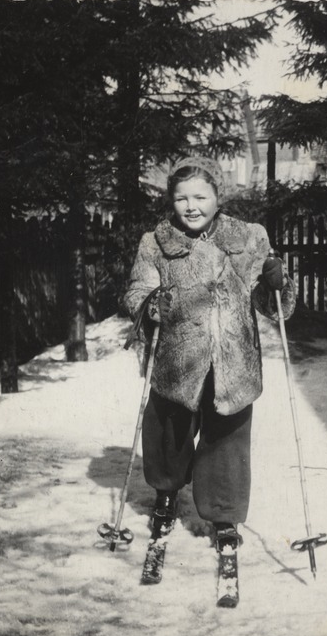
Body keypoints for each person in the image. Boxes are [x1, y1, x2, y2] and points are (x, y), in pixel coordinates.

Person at [124, 155, 295, 581]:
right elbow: (135, 292)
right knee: (168, 436)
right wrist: (151, 305)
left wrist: (278, 281)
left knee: (227, 444)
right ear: (171, 202)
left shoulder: (250, 239)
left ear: (219, 197)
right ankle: (165, 496)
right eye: (181, 198)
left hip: (232, 362)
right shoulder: (155, 242)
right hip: (177, 361)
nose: (191, 205)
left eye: (200, 196)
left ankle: (224, 517)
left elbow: (276, 307)